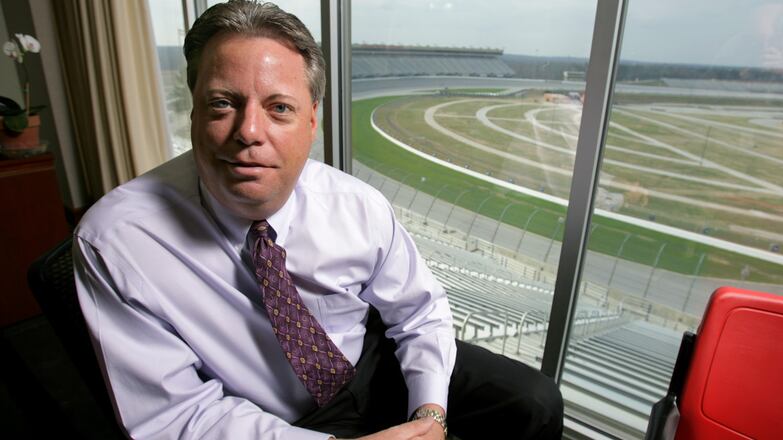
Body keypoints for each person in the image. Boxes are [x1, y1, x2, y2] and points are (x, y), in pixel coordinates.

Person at [73, 1, 563, 439]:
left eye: (279, 108)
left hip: (365, 363)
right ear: (194, 112)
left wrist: (430, 415)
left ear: (311, 121)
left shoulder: (356, 204)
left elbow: (419, 311)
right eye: (223, 103)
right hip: (260, 415)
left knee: (535, 402)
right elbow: (175, 416)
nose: (249, 132)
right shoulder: (116, 241)